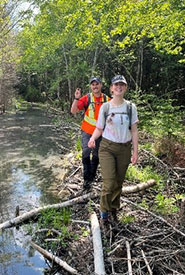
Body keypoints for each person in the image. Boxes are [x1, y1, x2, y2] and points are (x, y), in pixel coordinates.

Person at [88, 74, 139, 227]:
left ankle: (114, 208)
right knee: (109, 182)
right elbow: (99, 128)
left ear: (125, 88)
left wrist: (135, 152)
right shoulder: (106, 107)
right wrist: (92, 138)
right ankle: (104, 212)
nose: (118, 87)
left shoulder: (131, 107)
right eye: (116, 85)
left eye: (121, 85)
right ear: (111, 88)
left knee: (118, 182)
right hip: (107, 148)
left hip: (124, 148)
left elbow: (135, 131)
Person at [71, 77, 110, 190]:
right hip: (87, 132)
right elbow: (73, 111)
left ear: (101, 85)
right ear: (90, 86)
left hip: (101, 133)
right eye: (93, 84)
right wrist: (76, 98)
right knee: (86, 153)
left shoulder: (107, 100)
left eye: (97, 84)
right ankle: (86, 179)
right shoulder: (86, 98)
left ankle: (92, 176)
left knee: (97, 154)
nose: (95, 86)